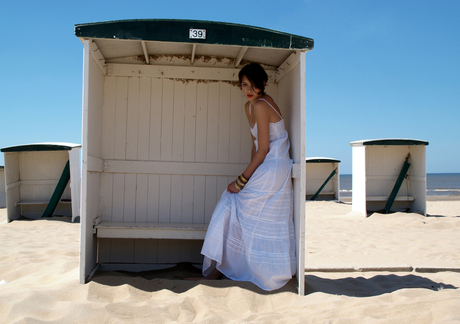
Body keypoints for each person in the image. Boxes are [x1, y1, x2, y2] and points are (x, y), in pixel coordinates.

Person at [199, 63, 296, 291]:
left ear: (263, 83)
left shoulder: (262, 104)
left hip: (274, 168)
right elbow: (255, 146)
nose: (248, 89)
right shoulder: (249, 106)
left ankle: (219, 270)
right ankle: (220, 269)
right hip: (265, 167)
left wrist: (241, 180)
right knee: (234, 206)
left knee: (232, 203)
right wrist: (248, 177)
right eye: (244, 85)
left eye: (253, 84)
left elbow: (264, 149)